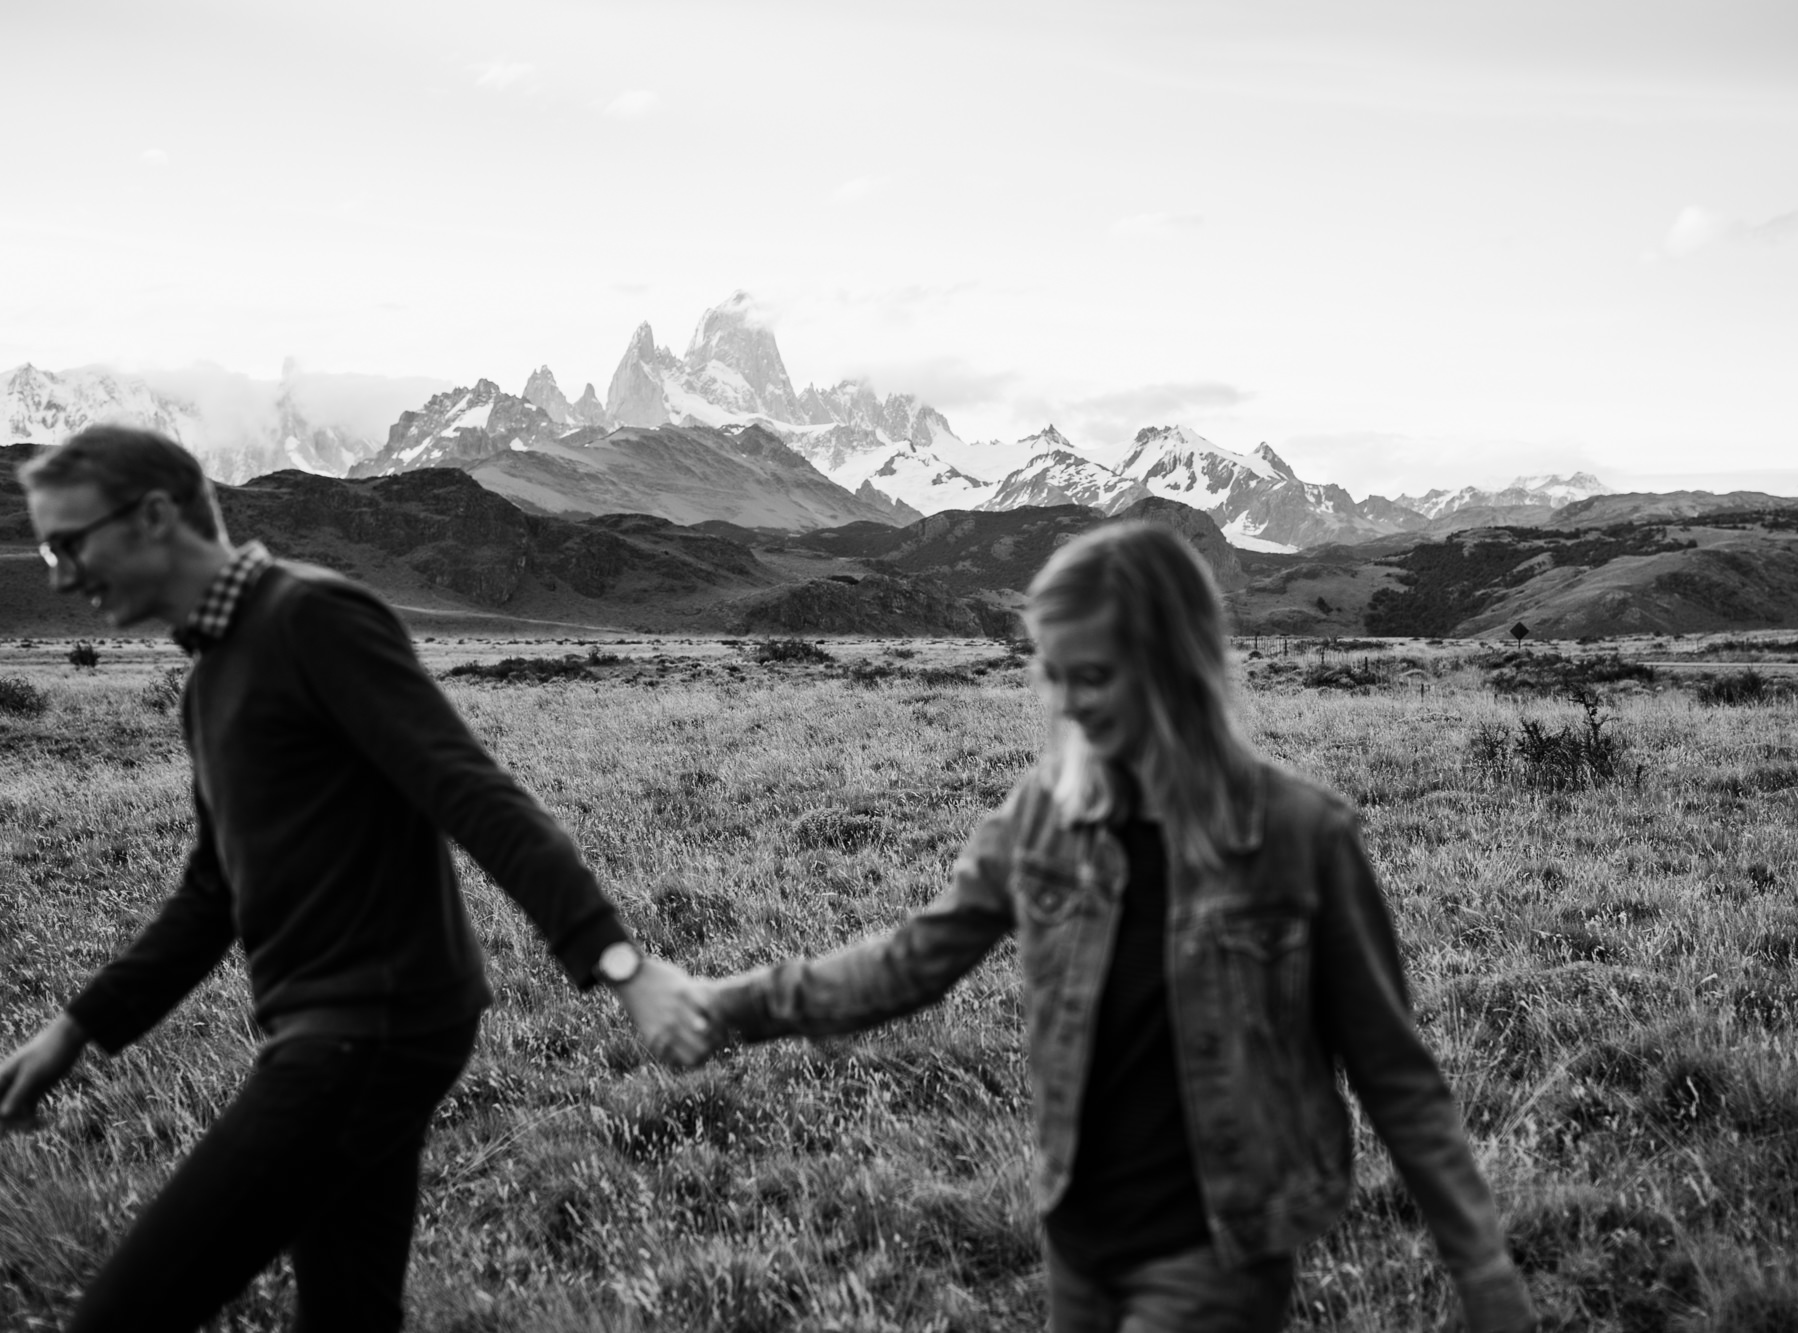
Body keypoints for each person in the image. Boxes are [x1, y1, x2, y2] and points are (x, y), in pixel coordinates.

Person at [687, 522, 1537, 1332]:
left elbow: (1395, 1073)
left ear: (1172, 665)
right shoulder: (1043, 818)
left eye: (1092, 676)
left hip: (1217, 1248)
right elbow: (909, 962)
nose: (1067, 704)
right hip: (1078, 1235)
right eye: (1053, 675)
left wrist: (1481, 1263)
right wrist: (732, 1005)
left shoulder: (1300, 837)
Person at [0, 425, 711, 1333]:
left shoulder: (310, 618)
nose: (58, 574)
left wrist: (619, 963)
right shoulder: (210, 676)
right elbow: (214, 891)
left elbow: (472, 792)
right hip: (348, 1026)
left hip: (367, 1031)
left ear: (152, 515)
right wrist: (76, 1028)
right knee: (348, 1312)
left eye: (69, 542)